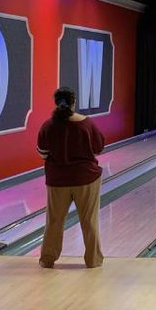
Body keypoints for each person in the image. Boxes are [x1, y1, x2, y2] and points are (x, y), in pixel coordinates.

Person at [37, 86, 106, 269]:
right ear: (73, 103)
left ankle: (47, 260)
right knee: (89, 221)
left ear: (56, 103)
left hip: (57, 180)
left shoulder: (48, 125)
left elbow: (43, 153)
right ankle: (93, 261)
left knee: (54, 221)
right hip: (86, 179)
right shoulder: (87, 124)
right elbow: (99, 147)